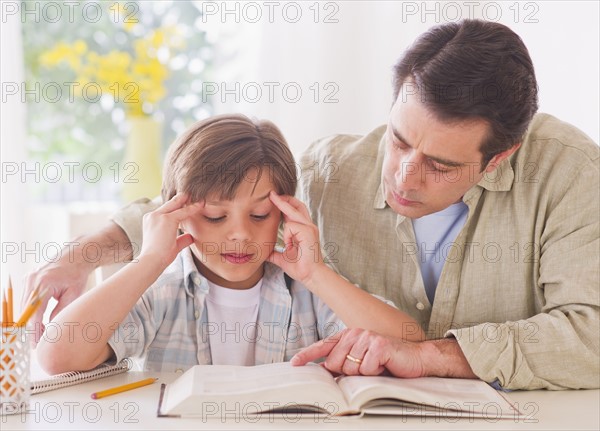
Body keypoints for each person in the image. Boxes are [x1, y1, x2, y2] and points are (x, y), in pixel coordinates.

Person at [27, 20, 598, 389]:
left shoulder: (570, 173)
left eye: (441, 166)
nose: (403, 175)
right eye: (398, 139)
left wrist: (432, 354)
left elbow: (588, 335)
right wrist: (83, 256)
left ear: (500, 158)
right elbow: (204, 196)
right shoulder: (329, 169)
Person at [36, 114, 423, 374]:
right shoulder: (163, 292)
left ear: (286, 213)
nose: (239, 234)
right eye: (215, 217)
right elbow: (56, 356)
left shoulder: (308, 290)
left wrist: (315, 272)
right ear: (176, 211)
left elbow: (408, 340)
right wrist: (149, 260)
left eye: (259, 216)